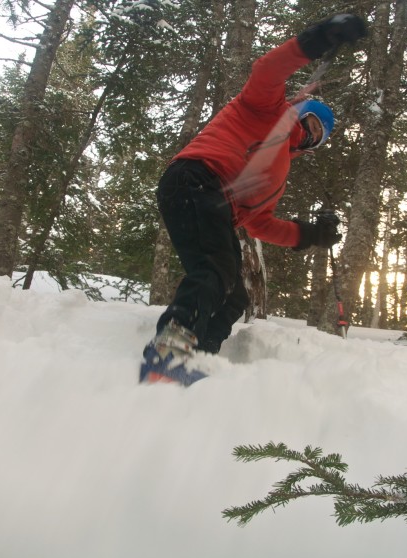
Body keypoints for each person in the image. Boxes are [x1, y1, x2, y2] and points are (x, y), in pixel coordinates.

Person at [140, 14, 368, 385]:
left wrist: (311, 235)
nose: (308, 136)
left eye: (317, 136)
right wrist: (317, 39)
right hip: (196, 177)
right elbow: (267, 70)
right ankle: (168, 355)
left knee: (236, 295)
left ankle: (200, 359)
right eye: (309, 124)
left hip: (215, 204)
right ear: (300, 111)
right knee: (215, 269)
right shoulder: (267, 108)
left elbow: (261, 223)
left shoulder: (276, 174)